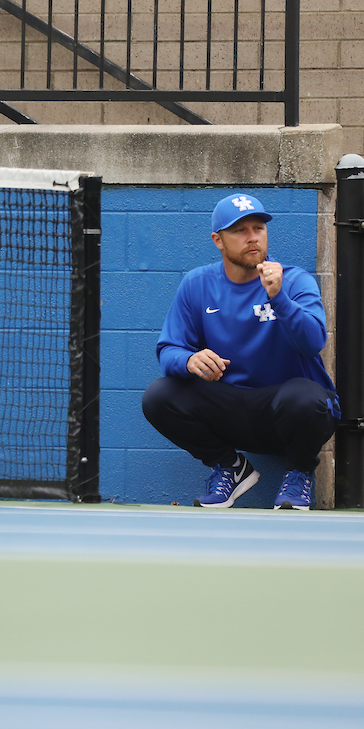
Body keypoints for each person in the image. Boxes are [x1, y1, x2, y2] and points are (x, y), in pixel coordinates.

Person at [141, 193, 339, 510]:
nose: (252, 238)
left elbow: (314, 341)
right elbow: (168, 350)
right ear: (218, 240)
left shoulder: (294, 280)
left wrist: (279, 299)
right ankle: (231, 467)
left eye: (258, 228)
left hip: (289, 410)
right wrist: (190, 360)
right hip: (231, 408)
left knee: (304, 398)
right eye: (240, 231)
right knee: (159, 395)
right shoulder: (197, 284)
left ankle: (300, 472)